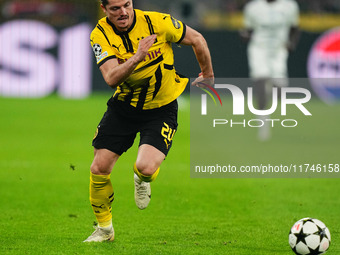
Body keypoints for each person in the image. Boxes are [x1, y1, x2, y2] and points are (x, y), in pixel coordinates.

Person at [84, 0, 214, 242]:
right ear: (104, 9)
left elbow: (197, 39)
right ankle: (104, 230)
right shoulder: (99, 34)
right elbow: (111, 77)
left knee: (145, 168)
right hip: (124, 108)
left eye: (127, 5)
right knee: (99, 168)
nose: (123, 12)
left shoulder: (157, 22)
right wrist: (138, 56)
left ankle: (142, 179)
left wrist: (207, 74)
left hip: (161, 108)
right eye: (115, 8)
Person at [240, 0, 300, 140]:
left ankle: (271, 93)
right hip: (259, 49)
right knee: (261, 81)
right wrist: (244, 35)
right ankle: (263, 125)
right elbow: (248, 30)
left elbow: (295, 27)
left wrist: (292, 43)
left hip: (279, 50)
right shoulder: (253, 8)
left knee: (279, 88)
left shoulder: (290, 6)